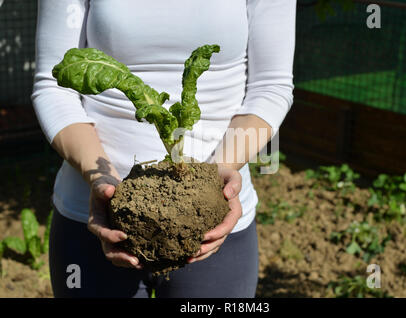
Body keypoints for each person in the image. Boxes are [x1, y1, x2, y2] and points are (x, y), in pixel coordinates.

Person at [31, 0, 295, 298]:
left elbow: (271, 86)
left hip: (213, 220)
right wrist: (99, 179)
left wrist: (219, 176)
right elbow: (54, 87)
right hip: (94, 215)